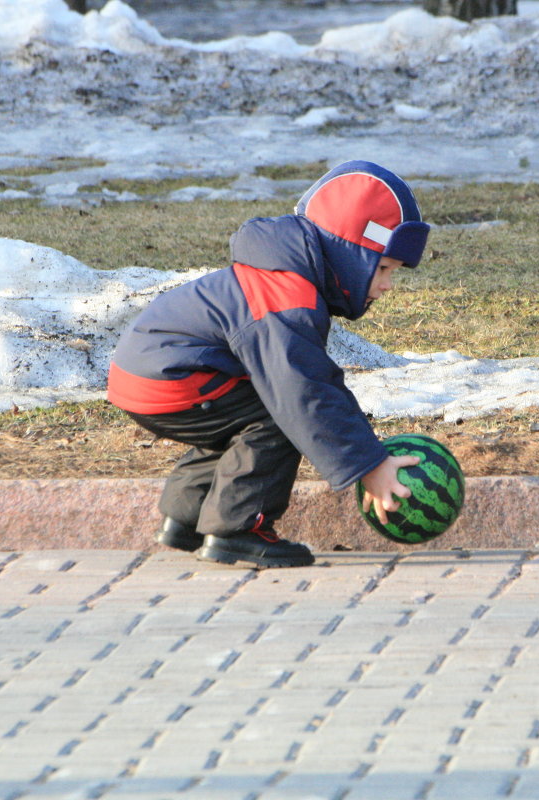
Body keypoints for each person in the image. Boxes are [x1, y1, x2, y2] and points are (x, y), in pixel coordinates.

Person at [108, 160, 431, 568]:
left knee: (241, 417)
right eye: (382, 269)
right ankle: (238, 530)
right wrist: (370, 465)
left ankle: (188, 515)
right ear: (349, 252)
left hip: (146, 373)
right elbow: (305, 393)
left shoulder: (280, 275)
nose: (386, 286)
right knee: (281, 412)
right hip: (170, 378)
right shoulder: (286, 294)